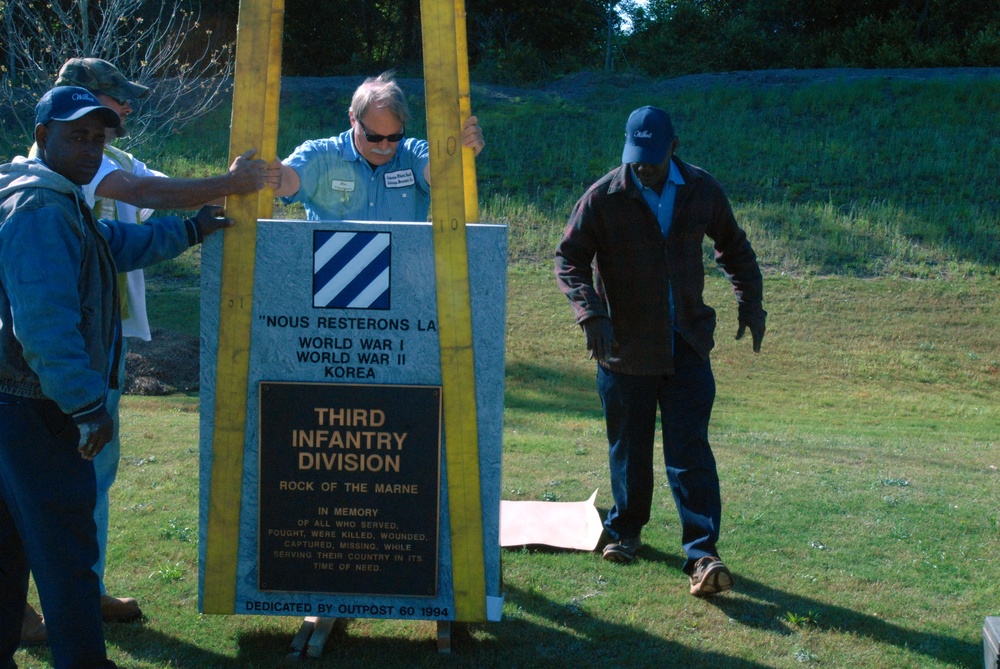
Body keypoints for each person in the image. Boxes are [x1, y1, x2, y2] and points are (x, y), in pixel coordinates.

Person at [15, 57, 278, 638]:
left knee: (81, 488)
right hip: (47, 376)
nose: (127, 109)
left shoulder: (94, 164)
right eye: (116, 99)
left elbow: (133, 222)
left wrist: (194, 223)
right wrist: (232, 185)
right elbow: (140, 193)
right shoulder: (50, 184)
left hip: (89, 353)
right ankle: (53, 612)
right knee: (46, 498)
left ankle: (80, 591)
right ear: (67, 110)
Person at [554, 106, 766, 597]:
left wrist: (751, 303)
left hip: (687, 342)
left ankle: (702, 554)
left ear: (673, 145)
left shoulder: (702, 189)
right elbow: (568, 258)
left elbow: (733, 246)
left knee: (689, 450)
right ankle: (626, 530)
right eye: (636, 158)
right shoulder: (605, 196)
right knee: (628, 448)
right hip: (624, 347)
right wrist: (591, 313)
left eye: (652, 158)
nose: (644, 168)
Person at [273, 71, 484, 221]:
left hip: (403, 280)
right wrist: (264, 171)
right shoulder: (321, 156)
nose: (385, 145)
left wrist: (460, 151)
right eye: (374, 137)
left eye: (394, 136)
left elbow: (440, 171)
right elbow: (286, 180)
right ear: (353, 119)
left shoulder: (414, 155)